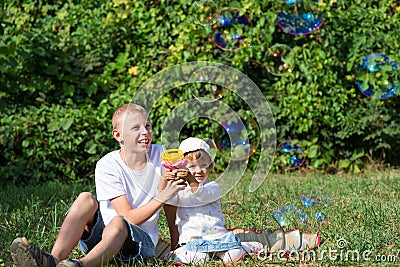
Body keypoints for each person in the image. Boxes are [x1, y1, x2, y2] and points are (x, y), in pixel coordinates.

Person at [10, 103, 186, 267]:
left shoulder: (161, 155)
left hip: (139, 246)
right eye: (135, 128)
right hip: (102, 241)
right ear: (118, 135)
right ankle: (54, 260)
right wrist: (161, 197)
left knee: (118, 223)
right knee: (85, 199)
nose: (145, 132)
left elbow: (172, 205)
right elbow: (127, 216)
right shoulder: (107, 164)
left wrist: (176, 247)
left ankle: (81, 264)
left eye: (147, 126)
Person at [159, 137, 263, 264]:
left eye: (203, 165)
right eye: (191, 167)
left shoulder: (212, 186)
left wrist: (190, 179)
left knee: (232, 257)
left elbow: (202, 195)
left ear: (210, 166)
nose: (198, 170)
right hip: (192, 240)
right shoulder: (180, 189)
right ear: (182, 168)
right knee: (200, 259)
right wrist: (164, 179)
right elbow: (163, 196)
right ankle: (177, 254)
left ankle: (245, 247)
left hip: (218, 238)